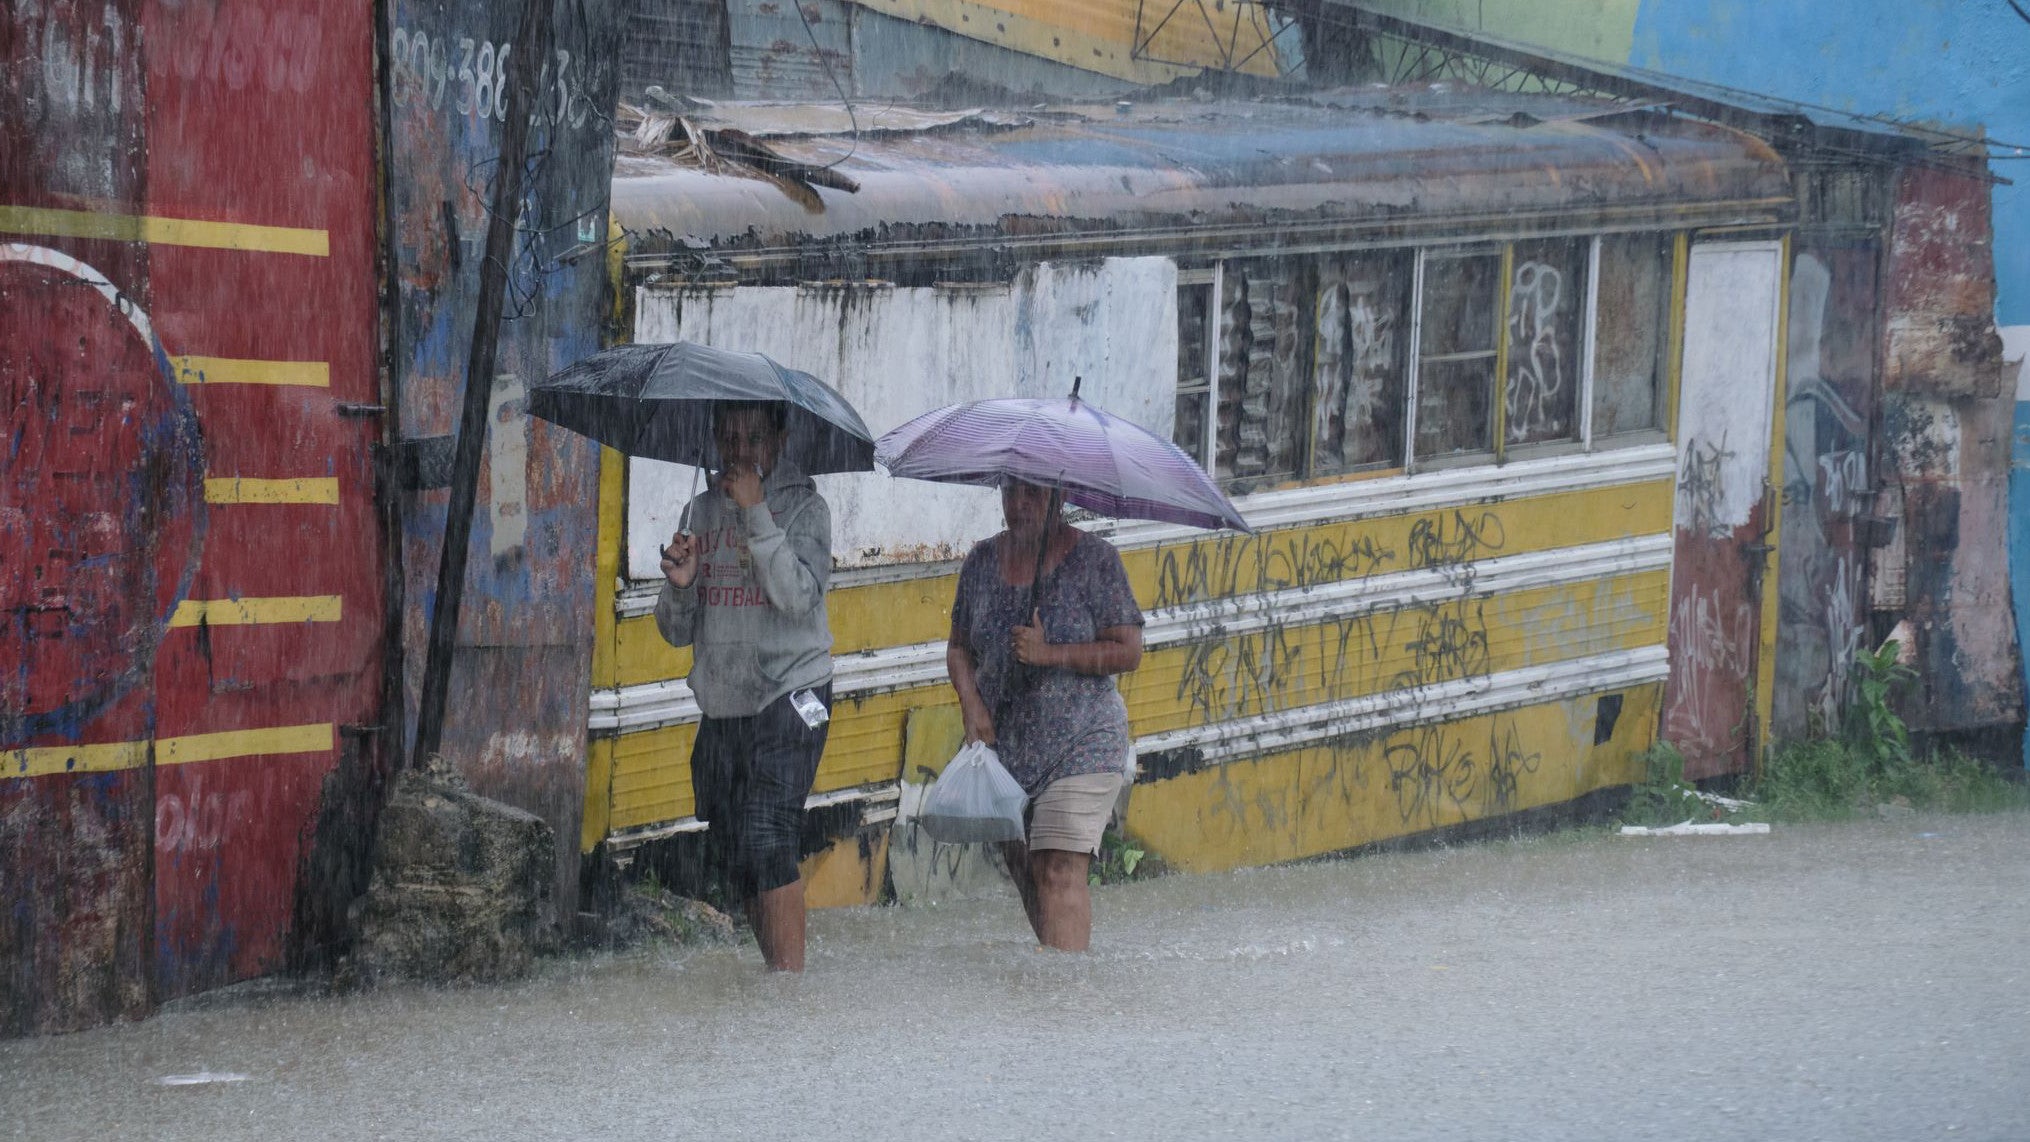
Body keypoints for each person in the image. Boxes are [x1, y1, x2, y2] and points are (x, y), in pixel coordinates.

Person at [656, 401, 833, 971]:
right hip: (726, 702)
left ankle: (789, 992)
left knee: (767, 836)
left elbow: (798, 598)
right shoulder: (701, 511)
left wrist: (758, 515)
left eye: (754, 437)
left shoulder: (805, 506)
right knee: (735, 853)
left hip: (793, 693)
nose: (741, 452)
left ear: (780, 438)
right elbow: (675, 631)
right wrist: (681, 585)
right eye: (729, 437)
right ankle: (776, 979)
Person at [945, 478, 1145, 951]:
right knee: (1031, 875)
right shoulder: (980, 562)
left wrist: (1049, 652)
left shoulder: (1096, 561)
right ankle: (1057, 982)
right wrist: (971, 705)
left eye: (1033, 493)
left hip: (1082, 741)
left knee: (1058, 869)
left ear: (1060, 496)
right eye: (1010, 491)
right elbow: (958, 649)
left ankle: (1067, 1004)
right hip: (1005, 748)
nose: (1018, 504)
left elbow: (1128, 651)